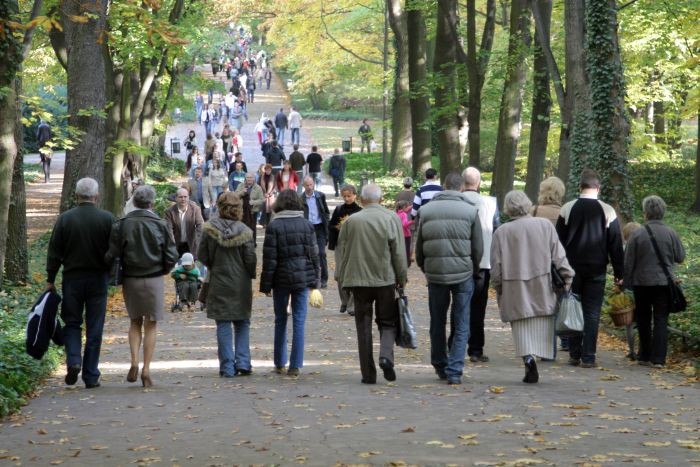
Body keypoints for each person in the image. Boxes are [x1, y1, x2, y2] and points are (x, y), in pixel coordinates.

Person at [492, 190, 574, 383]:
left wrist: (499, 288)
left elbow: (496, 267)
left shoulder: (502, 232)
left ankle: (528, 359)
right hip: (542, 285)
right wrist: (567, 276)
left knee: (521, 328)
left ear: (508, 208)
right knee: (541, 323)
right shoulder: (545, 225)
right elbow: (558, 256)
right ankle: (540, 355)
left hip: (515, 288)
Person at [46, 178, 116, 389]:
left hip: (72, 279)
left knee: (72, 322)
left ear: (76, 196)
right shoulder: (107, 219)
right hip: (98, 279)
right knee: (95, 327)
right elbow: (115, 251)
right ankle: (91, 375)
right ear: (96, 196)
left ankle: (74, 360)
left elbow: (54, 252)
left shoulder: (65, 219)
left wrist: (50, 279)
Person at [106, 185, 178, 388]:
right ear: (152, 203)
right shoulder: (161, 224)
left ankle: (133, 362)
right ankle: (146, 368)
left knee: (134, 321)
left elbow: (113, 252)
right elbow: (171, 255)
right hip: (154, 277)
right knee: (151, 323)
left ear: (134, 202)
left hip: (131, 278)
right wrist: (163, 268)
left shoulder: (122, 224)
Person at [415, 173, 483, 385]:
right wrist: (474, 267)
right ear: (462, 188)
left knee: (437, 320)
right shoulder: (471, 211)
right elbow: (478, 248)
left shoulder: (426, 211)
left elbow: (419, 246)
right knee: (462, 322)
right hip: (463, 273)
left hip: (435, 273)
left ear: (444, 186)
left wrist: (425, 267)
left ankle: (439, 363)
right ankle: (455, 369)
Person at [337, 184, 407, 384]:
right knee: (388, 322)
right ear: (381, 198)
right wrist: (401, 279)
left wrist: (342, 278)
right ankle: (386, 355)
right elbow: (399, 253)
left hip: (359, 281)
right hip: (385, 279)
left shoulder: (351, 222)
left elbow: (342, 251)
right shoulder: (391, 218)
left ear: (362, 200)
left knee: (363, 325)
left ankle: (368, 374)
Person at [556, 169, 624, 368]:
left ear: (580, 187)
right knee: (592, 313)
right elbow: (615, 245)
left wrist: (557, 268)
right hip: (596, 270)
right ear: (598, 188)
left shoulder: (567, 209)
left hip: (571, 269)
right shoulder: (608, 211)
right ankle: (589, 356)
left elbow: (557, 242)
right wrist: (620, 273)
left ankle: (574, 354)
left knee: (573, 308)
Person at [260, 189, 321, 377]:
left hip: (281, 279)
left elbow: (270, 258)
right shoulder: (306, 225)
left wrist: (266, 284)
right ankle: (296, 364)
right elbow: (314, 255)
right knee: (299, 321)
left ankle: (279, 362)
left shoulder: (274, 225)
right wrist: (315, 281)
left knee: (280, 320)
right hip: (302, 278)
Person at [198, 192, 257, 377]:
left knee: (223, 323)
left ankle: (227, 367)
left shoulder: (209, 230)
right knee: (242, 323)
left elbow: (202, 255)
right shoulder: (245, 232)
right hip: (240, 283)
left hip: (219, 281)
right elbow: (250, 260)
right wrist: (250, 274)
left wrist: (214, 265)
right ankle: (244, 363)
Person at [624, 196, 685, 368]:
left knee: (643, 318)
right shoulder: (671, 233)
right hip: (663, 283)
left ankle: (644, 355)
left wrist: (625, 284)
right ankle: (658, 359)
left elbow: (628, 262)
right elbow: (680, 257)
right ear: (663, 212)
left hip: (641, 283)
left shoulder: (637, 234)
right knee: (660, 319)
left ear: (645, 213)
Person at [461, 167, 500, 363]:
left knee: (459, 307)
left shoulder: (456, 201)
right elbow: (497, 231)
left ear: (463, 183)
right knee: (478, 308)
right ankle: (476, 349)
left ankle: (456, 346)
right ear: (478, 183)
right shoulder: (491, 203)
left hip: (459, 263)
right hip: (483, 264)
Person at [530, 176, 569, 354]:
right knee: (561, 303)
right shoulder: (565, 212)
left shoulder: (534, 211)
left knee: (541, 307)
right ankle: (565, 339)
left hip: (537, 264)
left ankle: (546, 347)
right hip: (559, 265)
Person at [328, 184, 362, 315]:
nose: (347, 199)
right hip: (340, 244)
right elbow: (331, 226)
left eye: (349, 196)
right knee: (339, 275)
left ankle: (352, 305)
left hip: (354, 245)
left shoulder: (360, 211)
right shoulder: (339, 209)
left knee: (353, 274)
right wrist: (338, 227)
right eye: (344, 196)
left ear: (355, 195)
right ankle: (345, 300)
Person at [301, 176, 330, 288]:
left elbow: (326, 212)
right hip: (308, 229)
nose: (309, 187)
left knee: (321, 253)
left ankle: (324, 279)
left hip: (320, 228)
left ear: (313, 184)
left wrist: (326, 225)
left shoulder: (320, 196)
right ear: (303, 186)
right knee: (309, 254)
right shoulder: (300, 199)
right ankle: (311, 279)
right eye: (307, 185)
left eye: (311, 185)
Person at [165, 188, 204, 258]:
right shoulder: (169, 211)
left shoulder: (195, 209)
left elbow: (200, 225)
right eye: (180, 197)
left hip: (191, 244)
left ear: (188, 197)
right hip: (176, 244)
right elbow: (168, 230)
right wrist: (172, 245)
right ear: (176, 198)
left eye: (185, 197)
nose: (183, 199)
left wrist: (198, 241)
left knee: (191, 266)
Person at [236, 173, 265, 246]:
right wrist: (242, 192)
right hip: (242, 211)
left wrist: (253, 202)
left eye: (251, 177)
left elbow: (262, 200)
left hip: (253, 211)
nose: (249, 179)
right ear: (245, 179)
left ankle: (252, 243)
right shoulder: (240, 186)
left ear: (254, 179)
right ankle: (242, 243)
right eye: (247, 177)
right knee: (242, 227)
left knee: (252, 228)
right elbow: (235, 196)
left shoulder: (258, 187)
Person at [395, 200, 413, 267]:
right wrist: (412, 221)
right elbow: (404, 224)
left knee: (401, 249)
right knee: (407, 250)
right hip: (406, 235)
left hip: (399, 234)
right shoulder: (404, 214)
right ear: (404, 207)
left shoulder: (397, 213)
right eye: (407, 207)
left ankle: (401, 263)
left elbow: (408, 209)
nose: (408, 209)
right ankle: (407, 263)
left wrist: (413, 206)